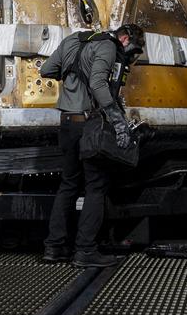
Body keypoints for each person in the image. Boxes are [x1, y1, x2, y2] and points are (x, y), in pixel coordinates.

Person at [39, 23, 143, 268]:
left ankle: (55, 247)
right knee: (96, 187)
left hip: (66, 122)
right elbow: (98, 84)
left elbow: (46, 69)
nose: (129, 56)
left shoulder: (73, 40)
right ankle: (85, 250)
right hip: (89, 124)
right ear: (125, 38)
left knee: (68, 184)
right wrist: (118, 121)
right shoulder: (107, 45)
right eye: (132, 50)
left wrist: (73, 76)